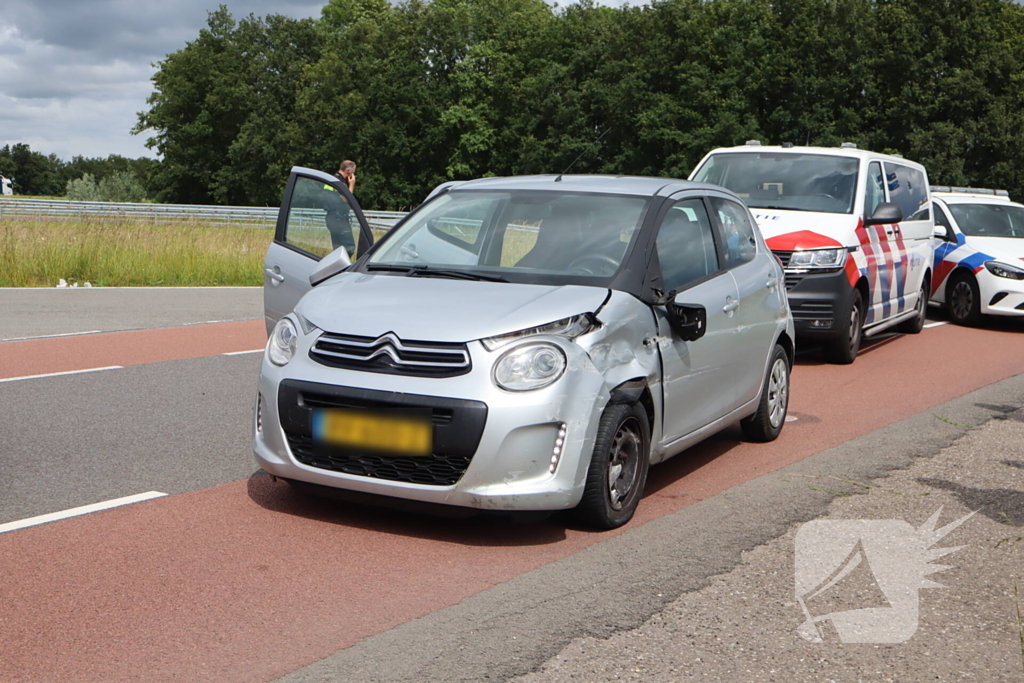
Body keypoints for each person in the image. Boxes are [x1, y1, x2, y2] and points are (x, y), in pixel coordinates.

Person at [324, 160, 357, 254]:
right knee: (349, 248)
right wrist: (352, 184)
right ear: (348, 171)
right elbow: (346, 199)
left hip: (331, 218)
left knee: (338, 250)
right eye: (353, 172)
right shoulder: (339, 183)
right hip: (339, 219)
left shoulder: (331, 180)